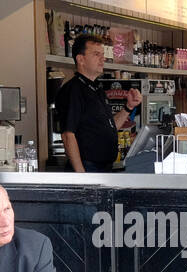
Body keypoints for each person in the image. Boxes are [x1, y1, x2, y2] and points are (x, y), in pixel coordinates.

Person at [55, 34, 141, 173]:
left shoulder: (97, 89)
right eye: (96, 54)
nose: (103, 59)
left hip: (104, 167)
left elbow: (110, 127)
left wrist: (128, 107)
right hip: (87, 168)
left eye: (103, 54)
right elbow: (68, 135)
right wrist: (81, 176)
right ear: (80, 59)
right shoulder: (73, 90)